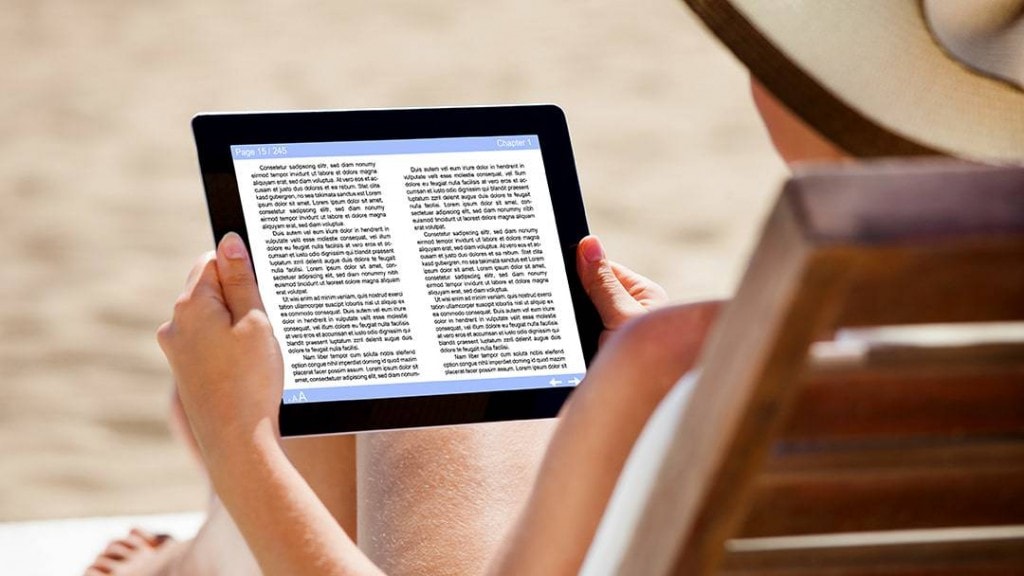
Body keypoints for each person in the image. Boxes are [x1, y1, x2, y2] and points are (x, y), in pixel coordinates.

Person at [86, 0, 1023, 574]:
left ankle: (209, 521)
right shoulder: (965, 361)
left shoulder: (683, 354)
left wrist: (237, 434)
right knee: (377, 396)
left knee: (430, 401)